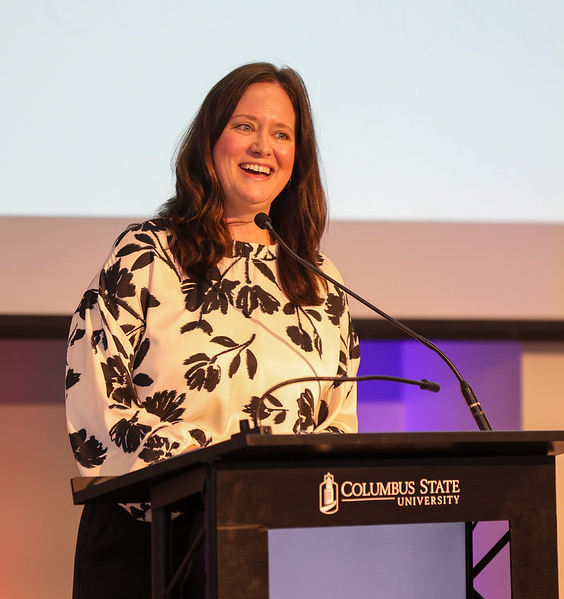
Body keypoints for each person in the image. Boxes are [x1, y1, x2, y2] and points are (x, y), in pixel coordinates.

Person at [65, 62, 360, 598]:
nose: (262, 147)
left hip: (281, 551)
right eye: (244, 126)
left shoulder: (320, 280)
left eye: (281, 134)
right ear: (210, 139)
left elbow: (336, 426)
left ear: (299, 156)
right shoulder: (147, 255)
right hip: (153, 551)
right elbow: (99, 410)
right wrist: (216, 483)